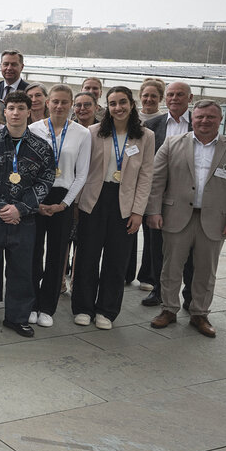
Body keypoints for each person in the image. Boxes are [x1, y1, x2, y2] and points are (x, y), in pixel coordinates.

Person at [148, 100, 226, 337]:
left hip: (215, 219)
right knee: (171, 267)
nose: (205, 121)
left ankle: (200, 313)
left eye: (210, 117)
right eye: (200, 117)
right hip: (176, 216)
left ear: (220, 119)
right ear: (192, 119)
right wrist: (153, 211)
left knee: (206, 270)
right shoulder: (172, 143)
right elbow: (157, 181)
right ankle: (169, 309)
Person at [0, 92, 54, 336]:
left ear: (29, 112)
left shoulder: (41, 147)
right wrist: (2, 207)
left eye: (20, 108)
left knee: (22, 270)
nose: (15, 113)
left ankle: (17, 317)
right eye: (11, 108)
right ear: (4, 112)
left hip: (24, 220)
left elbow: (45, 182)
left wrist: (20, 208)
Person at [71, 86, 154, 330]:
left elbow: (146, 176)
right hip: (94, 199)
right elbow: (81, 170)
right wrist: (76, 204)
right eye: (113, 103)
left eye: (122, 102)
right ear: (107, 107)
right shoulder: (94, 132)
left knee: (116, 260)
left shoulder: (145, 136)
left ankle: (107, 310)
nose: (118, 108)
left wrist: (138, 211)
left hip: (125, 203)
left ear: (131, 104)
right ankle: (83, 307)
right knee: (87, 257)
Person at [28, 85, 91, 328]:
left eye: (65, 102)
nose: (59, 106)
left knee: (57, 254)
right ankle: (31, 302)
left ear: (72, 104)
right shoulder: (33, 129)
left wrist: (64, 204)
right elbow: (26, 169)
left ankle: (47, 306)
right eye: (55, 101)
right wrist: (35, 201)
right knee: (33, 253)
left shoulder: (82, 134)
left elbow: (82, 173)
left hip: (63, 197)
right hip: (37, 197)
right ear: (47, 102)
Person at [139, 81, 196, 307]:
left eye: (180, 95)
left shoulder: (199, 122)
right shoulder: (153, 125)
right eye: (170, 94)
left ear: (190, 98)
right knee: (157, 248)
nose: (174, 98)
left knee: (192, 253)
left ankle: (191, 296)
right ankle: (159, 291)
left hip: (191, 198)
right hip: (160, 198)